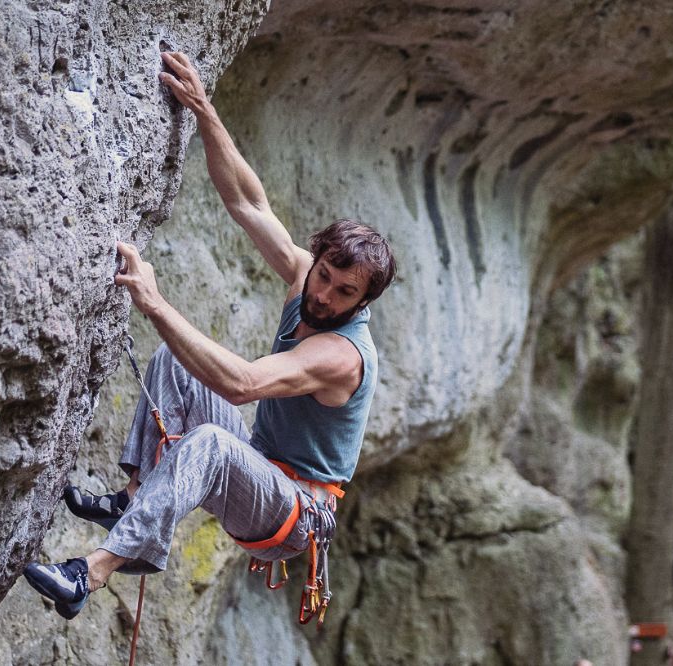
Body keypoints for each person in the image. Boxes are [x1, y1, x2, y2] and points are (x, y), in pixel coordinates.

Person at [22, 51, 396, 619]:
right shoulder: (306, 280)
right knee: (178, 365)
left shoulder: (341, 355)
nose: (323, 296)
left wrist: (152, 301)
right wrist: (203, 109)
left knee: (213, 442)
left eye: (345, 293)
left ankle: (89, 573)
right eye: (323, 276)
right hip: (262, 462)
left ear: (363, 303)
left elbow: (244, 385)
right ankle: (129, 502)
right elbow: (247, 201)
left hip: (293, 511)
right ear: (316, 259)